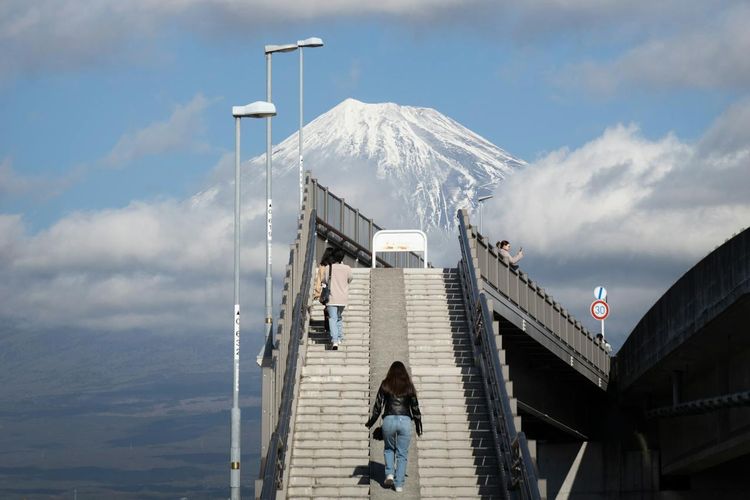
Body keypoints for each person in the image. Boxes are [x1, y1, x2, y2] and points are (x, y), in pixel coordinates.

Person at [365, 361, 423, 492]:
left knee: (389, 449)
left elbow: (378, 406)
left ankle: (390, 473)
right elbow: (415, 406)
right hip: (405, 420)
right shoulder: (409, 386)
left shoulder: (386, 383)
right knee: (402, 454)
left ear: (390, 371)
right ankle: (399, 485)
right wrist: (419, 425)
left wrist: (371, 422)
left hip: (389, 419)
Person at [326, 248, 352, 350]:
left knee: (332, 319)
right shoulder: (347, 268)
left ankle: (335, 341)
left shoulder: (329, 268)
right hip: (342, 298)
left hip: (332, 297)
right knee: (339, 317)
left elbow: (324, 280)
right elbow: (350, 279)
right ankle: (340, 337)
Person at [313, 247, 336, 333]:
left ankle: (327, 327)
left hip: (325, 289)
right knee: (333, 309)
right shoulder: (336, 265)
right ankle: (332, 327)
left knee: (327, 308)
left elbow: (319, 279)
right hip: (334, 289)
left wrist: (317, 292)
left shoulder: (322, 265)